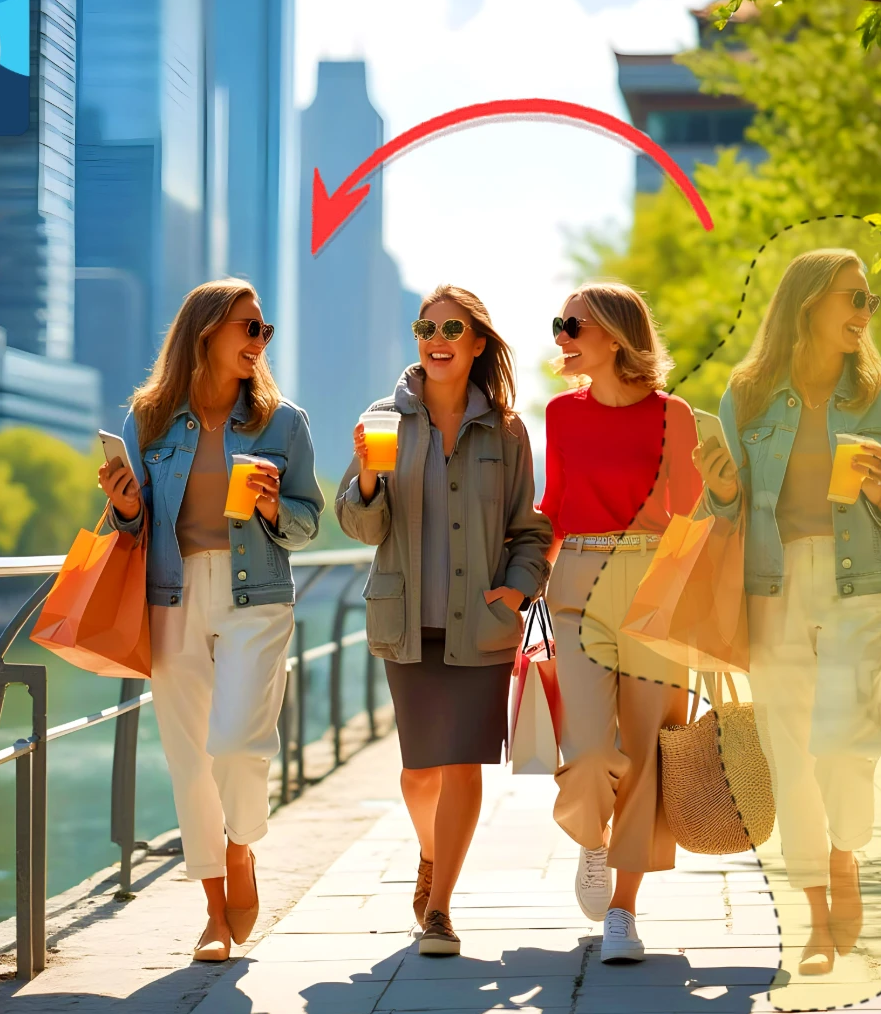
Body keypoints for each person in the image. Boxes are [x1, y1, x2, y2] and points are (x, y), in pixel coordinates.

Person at [694, 249, 881, 975]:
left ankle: (843, 854)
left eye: (869, 303)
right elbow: (722, 510)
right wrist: (724, 488)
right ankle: (816, 915)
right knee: (790, 749)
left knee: (847, 738)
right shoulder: (750, 392)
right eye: (851, 299)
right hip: (773, 584)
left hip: (862, 586)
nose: (863, 313)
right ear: (808, 306)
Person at [98, 278, 323, 962]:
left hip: (257, 594)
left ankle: (242, 844)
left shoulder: (285, 423)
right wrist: (126, 505)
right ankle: (213, 914)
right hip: (171, 592)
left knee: (236, 742)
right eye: (247, 328)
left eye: (264, 332)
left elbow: (310, 523)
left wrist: (272, 508)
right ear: (206, 335)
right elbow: (130, 525)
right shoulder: (149, 419)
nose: (259, 342)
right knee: (189, 758)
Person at [336, 284, 553, 957]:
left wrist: (514, 594)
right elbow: (359, 523)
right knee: (419, 771)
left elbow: (530, 529)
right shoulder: (382, 420)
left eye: (452, 328)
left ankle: (439, 908)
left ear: (477, 343)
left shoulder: (509, 431)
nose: (436, 338)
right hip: (407, 620)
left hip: (480, 625)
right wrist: (369, 479)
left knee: (463, 765)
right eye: (425, 327)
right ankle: (431, 857)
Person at [542, 281, 703, 964]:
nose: (562, 336)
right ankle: (590, 836)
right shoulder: (561, 413)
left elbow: (692, 516)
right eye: (560, 323)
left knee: (645, 753)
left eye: (571, 323)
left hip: (653, 588)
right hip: (577, 584)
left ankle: (623, 911)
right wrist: (517, 585)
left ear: (613, 333)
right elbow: (552, 507)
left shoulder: (675, 414)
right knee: (585, 751)